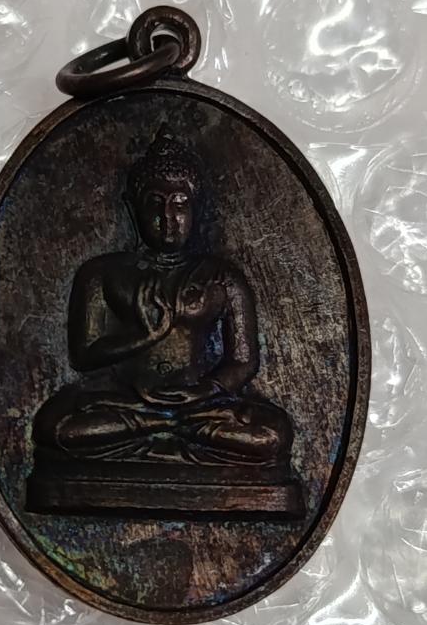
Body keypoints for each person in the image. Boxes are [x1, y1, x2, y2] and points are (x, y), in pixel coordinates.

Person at [32, 129, 294, 467]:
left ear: (197, 208)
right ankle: (167, 428)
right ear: (132, 209)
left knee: (273, 434)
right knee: (55, 428)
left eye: (180, 204)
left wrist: (206, 390)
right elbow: (84, 356)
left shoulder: (221, 277)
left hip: (200, 403)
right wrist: (144, 336)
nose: (168, 218)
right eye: (155, 204)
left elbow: (243, 361)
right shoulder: (101, 272)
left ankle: (163, 429)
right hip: (126, 399)